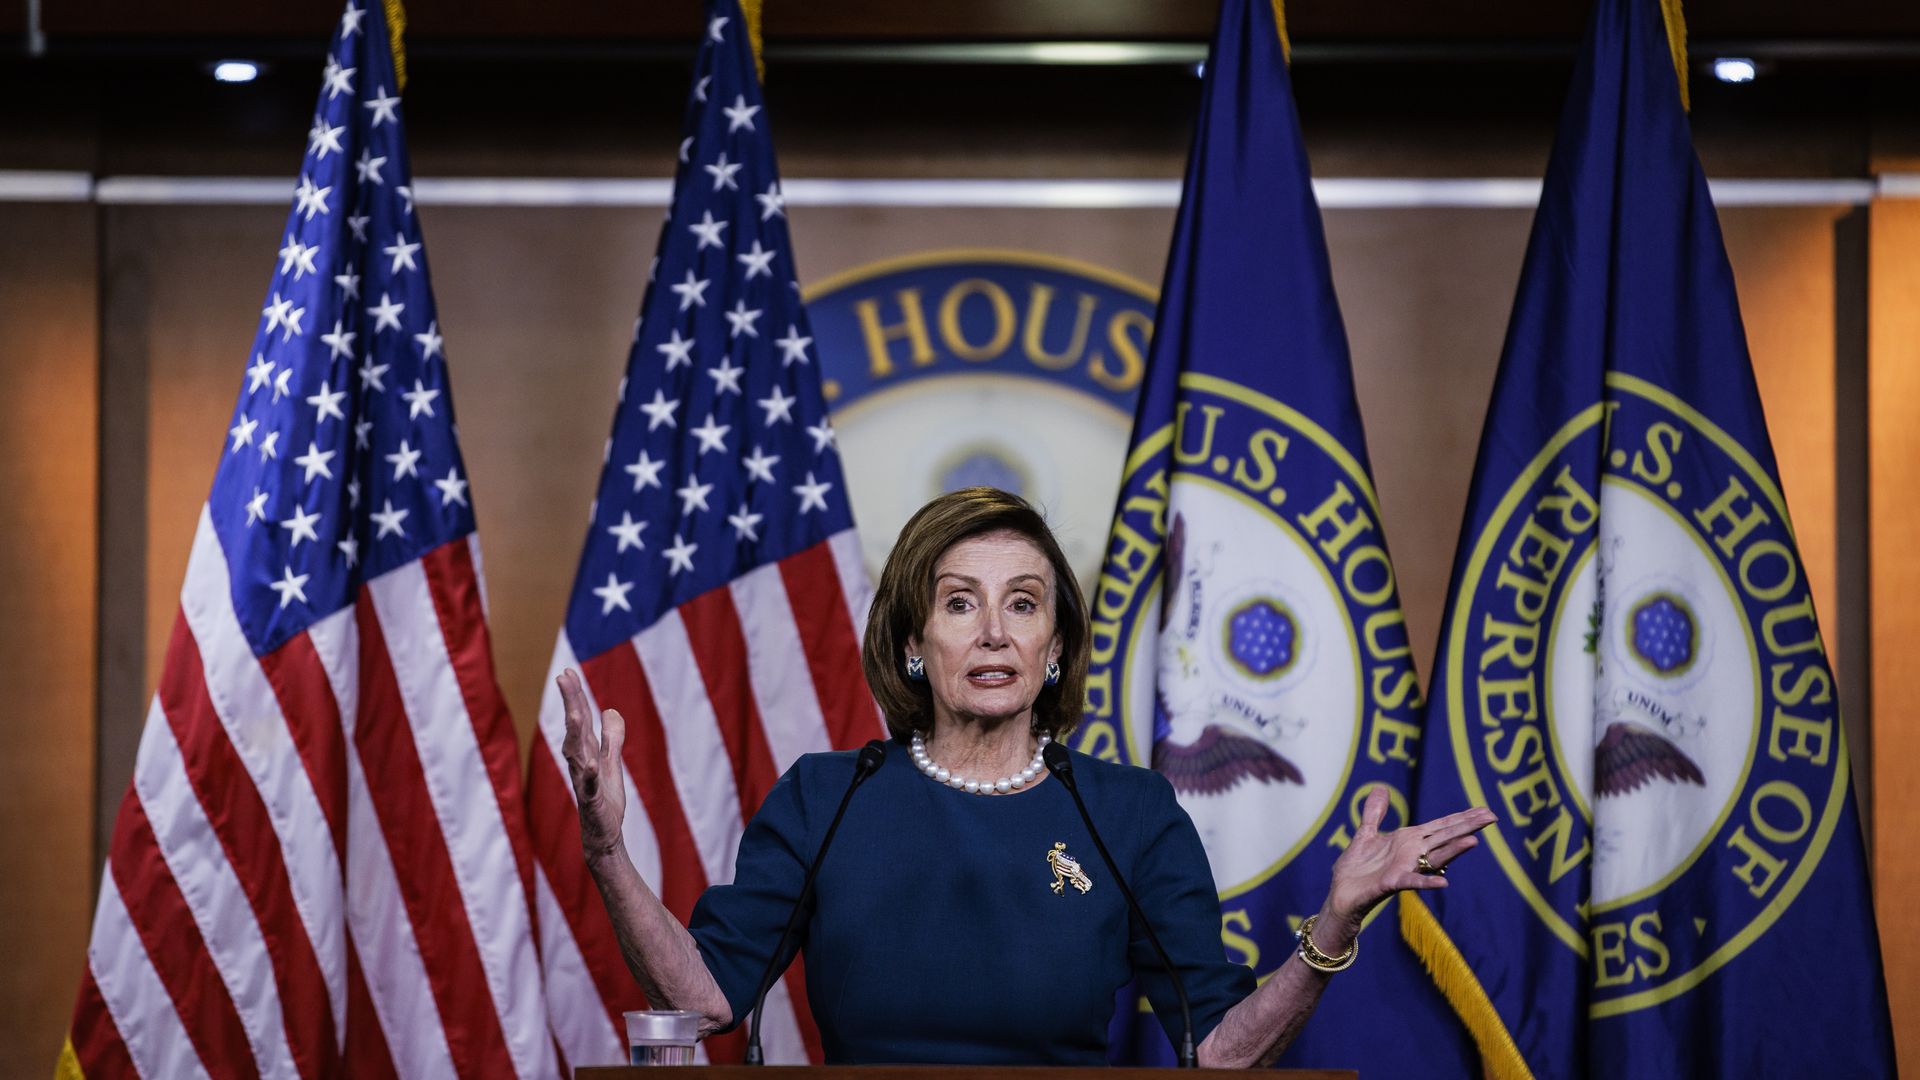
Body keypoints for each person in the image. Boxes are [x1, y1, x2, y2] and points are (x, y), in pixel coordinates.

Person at [560, 486, 1496, 1066]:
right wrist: (608, 853)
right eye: (960, 604)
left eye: (1024, 604)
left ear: (1054, 649)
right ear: (915, 644)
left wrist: (1331, 929)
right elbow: (706, 1000)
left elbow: (1219, 1052)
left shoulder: (1131, 814)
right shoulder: (827, 796)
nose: (995, 632)